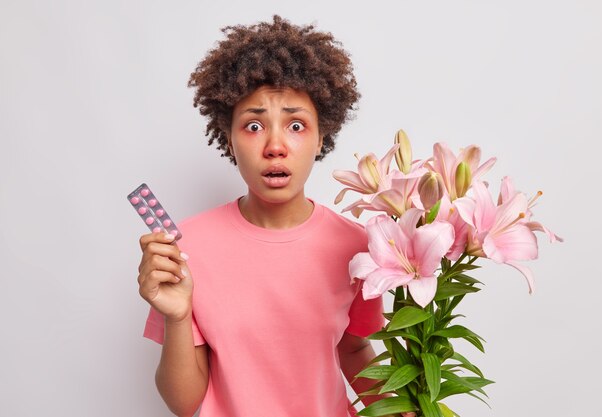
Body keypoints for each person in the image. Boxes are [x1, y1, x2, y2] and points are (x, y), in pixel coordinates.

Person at [136, 15, 413, 417]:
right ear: (228, 138)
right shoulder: (185, 249)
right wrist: (177, 317)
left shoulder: (358, 246)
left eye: (296, 125)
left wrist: (399, 409)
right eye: (253, 126)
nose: (275, 146)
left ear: (322, 137)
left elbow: (352, 347)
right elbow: (183, 404)